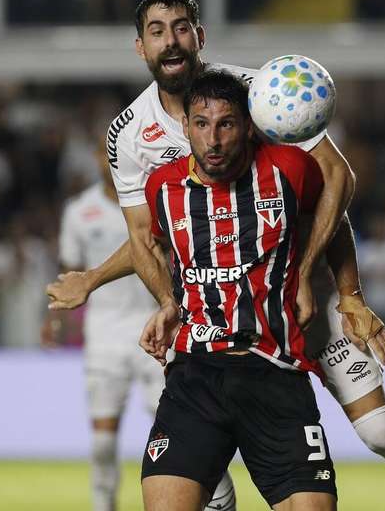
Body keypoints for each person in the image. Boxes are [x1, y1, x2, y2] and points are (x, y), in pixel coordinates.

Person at [47, 0, 385, 511]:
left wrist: (346, 292)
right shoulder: (129, 135)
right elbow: (147, 239)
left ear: (199, 35)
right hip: (218, 316)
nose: (171, 43)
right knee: (200, 464)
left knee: (380, 430)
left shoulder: (262, 92)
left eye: (181, 28)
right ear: (140, 47)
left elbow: (334, 182)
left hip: (303, 300)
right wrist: (168, 305)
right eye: (157, 32)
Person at [139, 69, 336, 510]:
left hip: (275, 373)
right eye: (201, 124)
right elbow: (156, 247)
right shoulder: (163, 188)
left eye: (226, 124)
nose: (213, 139)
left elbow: (332, 217)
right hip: (196, 378)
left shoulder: (289, 168)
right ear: (186, 126)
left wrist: (324, 281)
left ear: (248, 125)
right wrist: (169, 304)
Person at [41, 143, 166, 511]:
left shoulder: (155, 201)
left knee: (173, 434)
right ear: (96, 158)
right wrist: (55, 318)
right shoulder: (80, 211)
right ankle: (103, 505)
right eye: (102, 153)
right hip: (105, 335)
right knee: (102, 442)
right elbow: (69, 271)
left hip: (156, 329)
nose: (109, 161)